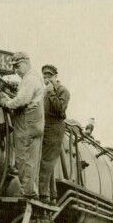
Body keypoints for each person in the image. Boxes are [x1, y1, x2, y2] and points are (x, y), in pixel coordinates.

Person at [0, 52, 45, 199]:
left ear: (26, 62)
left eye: (17, 66)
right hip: (34, 123)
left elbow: (22, 100)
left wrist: (6, 102)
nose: (16, 70)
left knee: (23, 158)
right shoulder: (36, 78)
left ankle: (27, 192)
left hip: (26, 123)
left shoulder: (29, 78)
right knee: (32, 159)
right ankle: (31, 190)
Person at [38, 64, 70, 204]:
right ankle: (50, 194)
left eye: (49, 76)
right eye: (44, 76)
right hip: (43, 126)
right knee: (42, 160)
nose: (46, 78)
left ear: (56, 76)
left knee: (47, 161)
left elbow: (60, 110)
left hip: (55, 127)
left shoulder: (63, 91)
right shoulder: (44, 91)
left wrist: (51, 92)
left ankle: (42, 193)